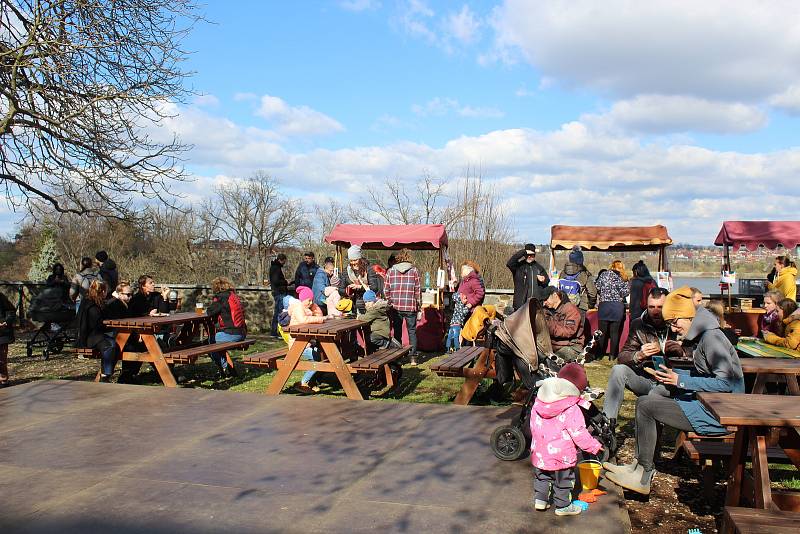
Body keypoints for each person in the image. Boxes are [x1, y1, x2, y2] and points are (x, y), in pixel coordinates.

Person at [604, 286, 744, 495]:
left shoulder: (712, 338)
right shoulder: (705, 335)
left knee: (646, 406)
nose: (674, 328)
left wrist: (681, 381)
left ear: (686, 316)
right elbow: (709, 377)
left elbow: (727, 385)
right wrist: (673, 377)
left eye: (674, 322)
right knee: (653, 396)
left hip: (720, 413)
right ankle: (639, 466)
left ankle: (643, 474)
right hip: (708, 403)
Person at [603, 287, 687, 429]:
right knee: (618, 370)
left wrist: (679, 351)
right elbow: (622, 356)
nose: (655, 311)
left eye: (660, 307)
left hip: (672, 382)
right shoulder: (639, 324)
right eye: (651, 307)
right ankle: (607, 426)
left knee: (651, 398)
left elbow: (695, 356)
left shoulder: (679, 324)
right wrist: (638, 355)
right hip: (647, 378)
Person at [531, 363, 602, 516]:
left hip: (541, 451)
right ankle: (563, 506)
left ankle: (541, 501)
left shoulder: (538, 403)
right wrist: (593, 446)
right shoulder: (571, 408)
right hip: (562, 455)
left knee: (542, 476)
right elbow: (579, 433)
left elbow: (533, 426)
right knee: (563, 481)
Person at [384, 249, 421, 364]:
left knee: (397, 332)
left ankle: (398, 356)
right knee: (412, 331)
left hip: (396, 306)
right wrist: (419, 305)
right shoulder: (414, 271)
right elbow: (417, 291)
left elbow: (386, 290)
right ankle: (413, 357)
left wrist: (390, 302)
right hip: (410, 306)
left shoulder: (390, 271)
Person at [206, 277, 247, 378]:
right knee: (216, 342)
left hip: (232, 334)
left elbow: (210, 312)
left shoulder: (221, 297)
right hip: (242, 333)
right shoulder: (233, 296)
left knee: (209, 343)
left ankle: (224, 368)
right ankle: (227, 369)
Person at [76, 280, 117, 382]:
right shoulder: (91, 305)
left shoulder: (98, 303)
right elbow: (97, 325)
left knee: (117, 343)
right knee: (110, 344)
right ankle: (105, 375)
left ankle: (106, 374)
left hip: (97, 335)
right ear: (102, 291)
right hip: (90, 337)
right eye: (105, 291)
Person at [288, 286, 324, 394]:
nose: (311, 302)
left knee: (322, 353)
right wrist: (320, 319)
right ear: (302, 299)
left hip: (307, 343)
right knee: (318, 358)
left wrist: (314, 306)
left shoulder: (308, 309)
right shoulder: (298, 309)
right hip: (297, 345)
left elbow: (320, 314)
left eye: (312, 300)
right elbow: (303, 320)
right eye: (309, 300)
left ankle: (310, 381)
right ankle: (304, 382)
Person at [595, 260, 629, 360]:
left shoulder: (604, 274)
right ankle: (612, 355)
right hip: (617, 307)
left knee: (602, 332)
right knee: (615, 333)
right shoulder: (623, 278)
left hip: (604, 306)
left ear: (612, 266)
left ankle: (599, 355)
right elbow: (625, 293)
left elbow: (597, 286)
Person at [541, 287, 583, 362]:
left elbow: (569, 331)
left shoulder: (571, 310)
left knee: (550, 362)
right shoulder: (545, 310)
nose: (544, 303)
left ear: (555, 296)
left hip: (571, 346)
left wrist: (548, 326)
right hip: (552, 345)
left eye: (546, 299)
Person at [338, 245, 381, 313]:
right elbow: (340, 289)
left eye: (355, 260)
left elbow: (374, 288)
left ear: (360, 259)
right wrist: (348, 290)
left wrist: (360, 287)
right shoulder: (346, 271)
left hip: (369, 305)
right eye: (351, 261)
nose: (353, 263)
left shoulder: (369, 269)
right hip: (353, 305)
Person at [558, 245, 597, 319]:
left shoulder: (563, 273)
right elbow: (593, 293)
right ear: (581, 260)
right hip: (580, 307)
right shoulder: (585, 274)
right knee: (580, 329)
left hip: (564, 306)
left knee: (565, 329)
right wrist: (590, 305)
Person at [507, 243, 549, 311]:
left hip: (536, 305)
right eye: (527, 255)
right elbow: (509, 263)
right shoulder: (519, 267)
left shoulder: (539, 267)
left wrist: (543, 280)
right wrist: (523, 251)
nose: (529, 256)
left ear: (534, 255)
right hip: (520, 305)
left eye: (531, 255)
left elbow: (547, 282)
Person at [628, 261, 656, 327]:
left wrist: (631, 313)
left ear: (636, 272)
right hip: (649, 313)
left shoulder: (635, 282)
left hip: (637, 314)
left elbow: (633, 301)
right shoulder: (652, 281)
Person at [269, 253, 290, 337]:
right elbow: (276, 281)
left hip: (277, 291)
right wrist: (285, 282)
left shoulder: (275, 267)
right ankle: (275, 332)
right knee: (279, 312)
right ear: (282, 260)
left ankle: (275, 331)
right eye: (284, 261)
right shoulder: (276, 268)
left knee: (278, 311)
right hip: (279, 292)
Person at [0, 291, 17, 387]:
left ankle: (3, 379)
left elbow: (11, 312)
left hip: (2, 334)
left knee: (1, 358)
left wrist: (5, 323)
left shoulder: (1, 298)